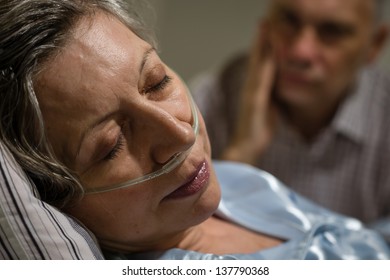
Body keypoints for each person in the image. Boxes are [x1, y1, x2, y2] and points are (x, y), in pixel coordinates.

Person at [0, 0, 389, 260]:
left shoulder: (233, 184)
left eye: (156, 83)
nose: (180, 135)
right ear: (59, 199)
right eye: (112, 145)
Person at [191, 0, 390, 224]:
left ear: (374, 44)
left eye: (332, 32)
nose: (300, 52)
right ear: (267, 24)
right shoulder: (213, 99)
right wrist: (242, 151)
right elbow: (187, 237)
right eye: (289, 21)